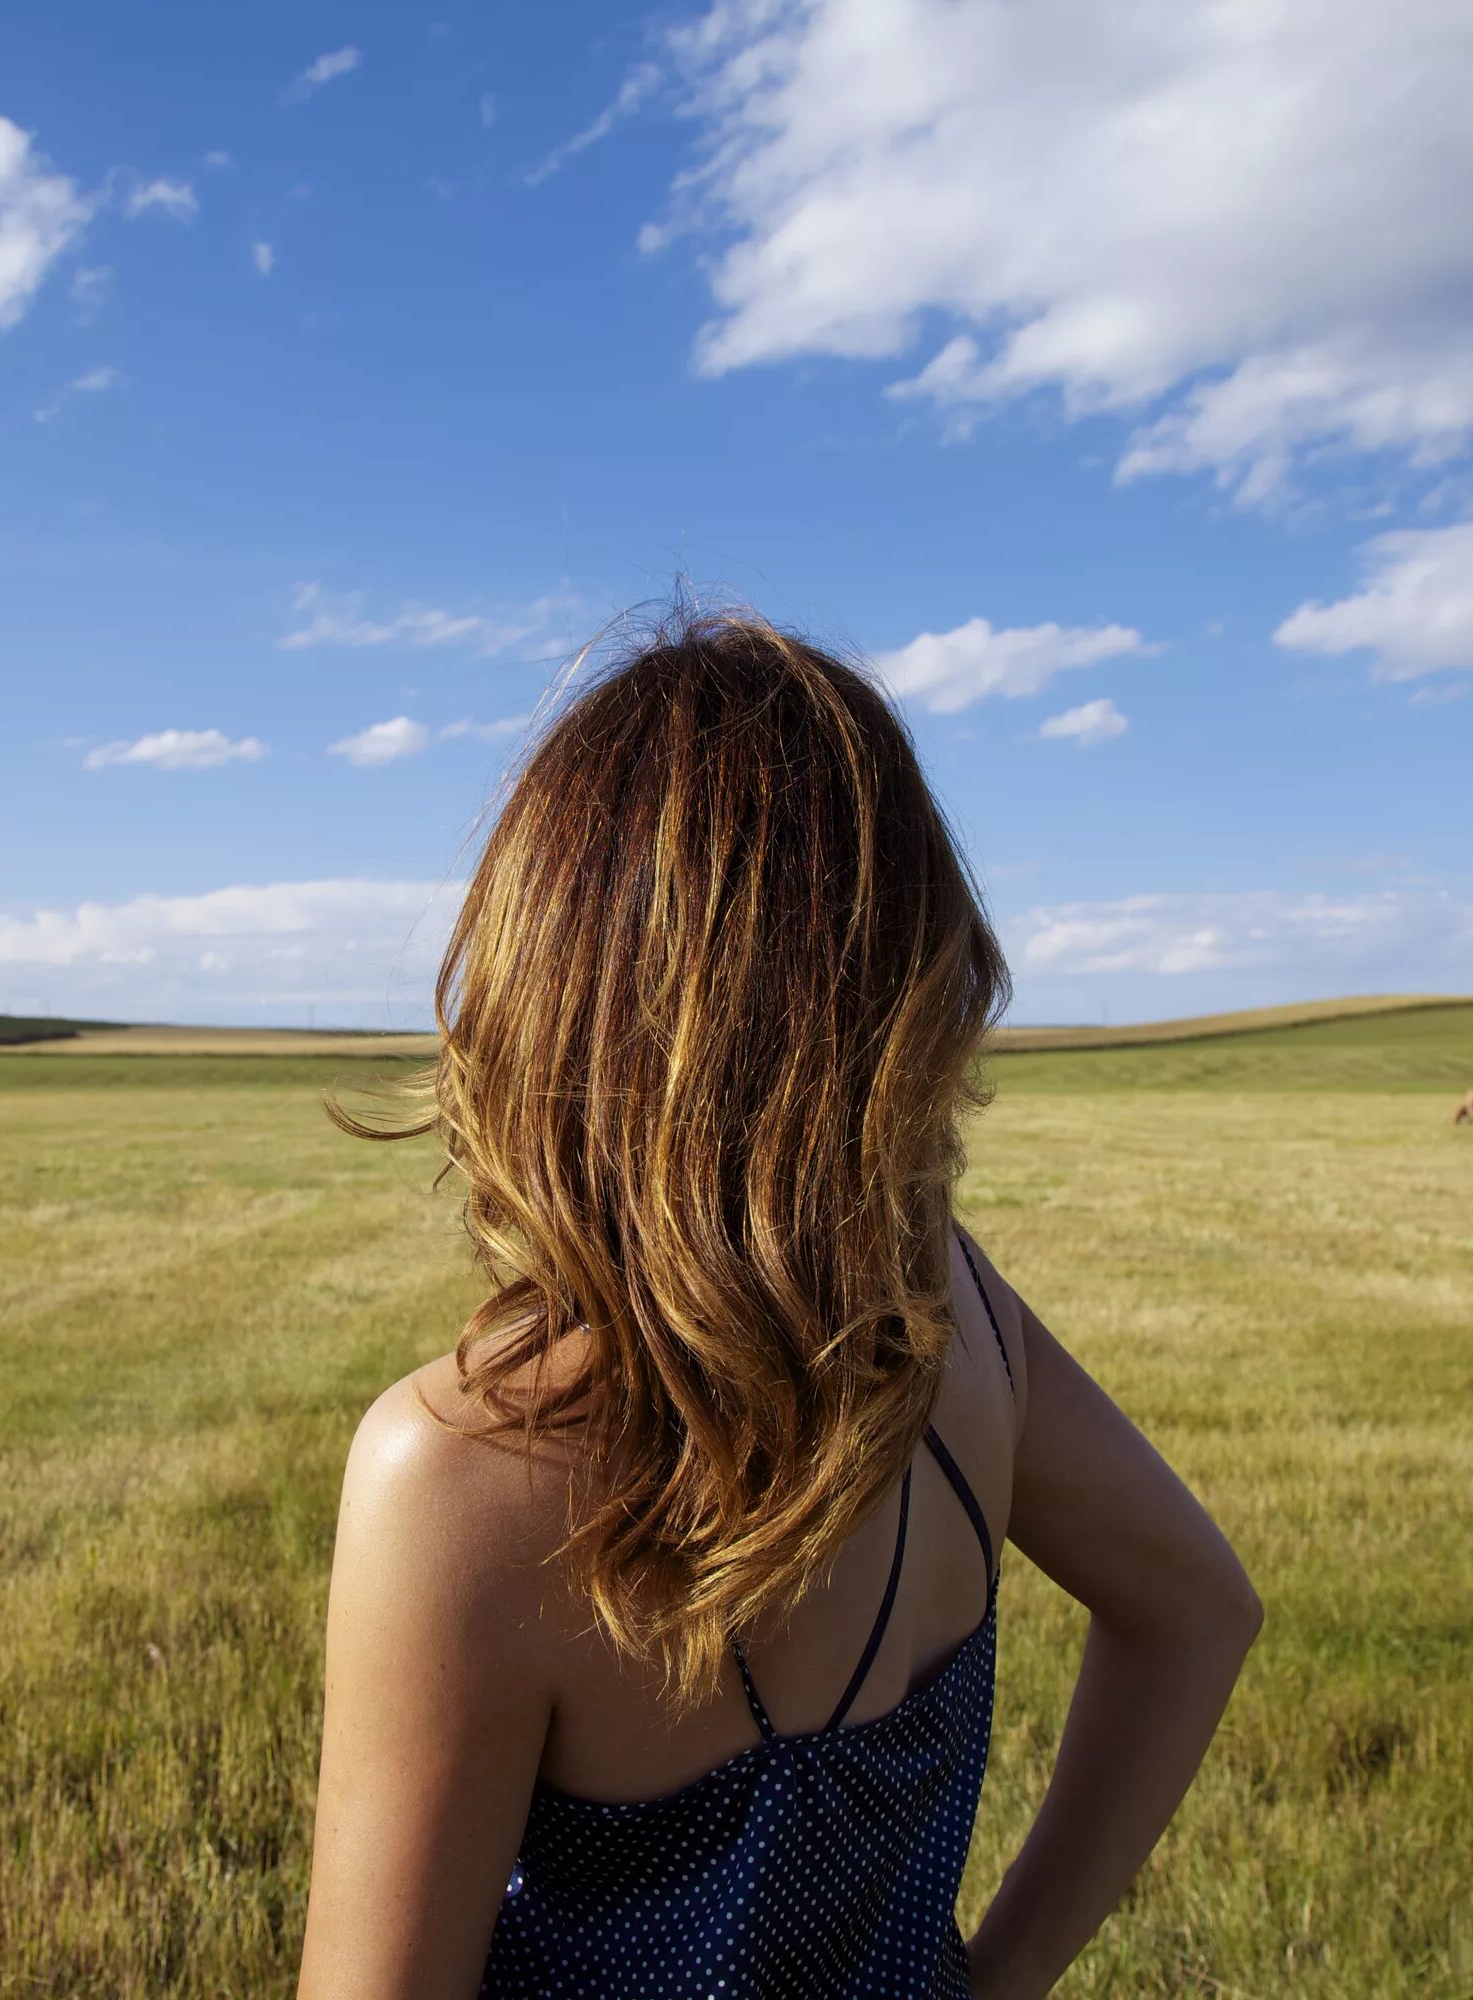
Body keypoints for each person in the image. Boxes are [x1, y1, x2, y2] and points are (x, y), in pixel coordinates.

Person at [298, 609, 1261, 1997]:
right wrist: (1000, 1978)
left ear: (549, 997)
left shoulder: (467, 1477)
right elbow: (1198, 1611)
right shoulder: (951, 1324)